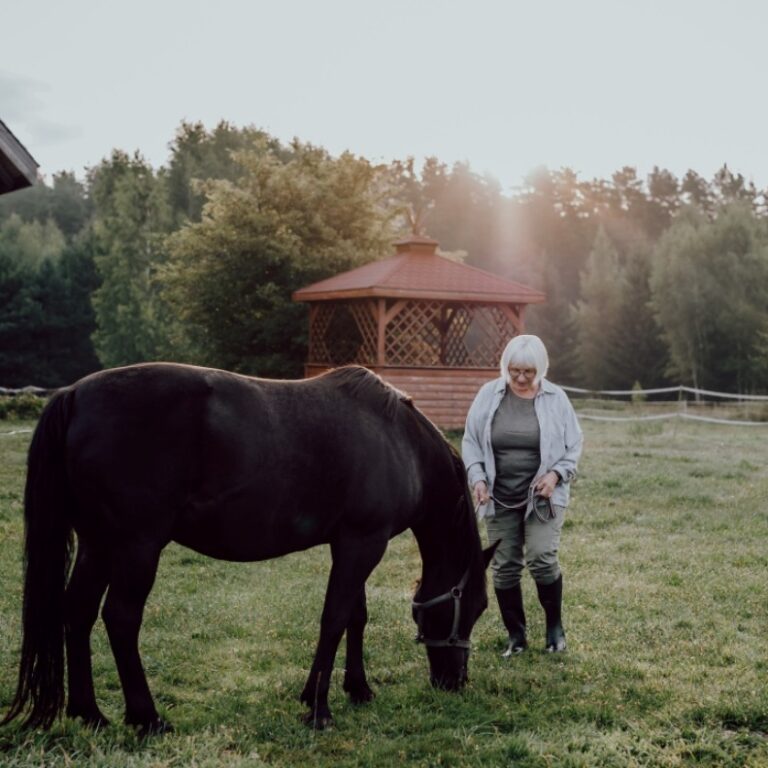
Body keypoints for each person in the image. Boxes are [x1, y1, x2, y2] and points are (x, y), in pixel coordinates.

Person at [462, 334, 582, 655]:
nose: (520, 378)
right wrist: (478, 478)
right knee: (504, 566)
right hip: (498, 497)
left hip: (542, 497)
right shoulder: (489, 395)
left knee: (542, 558)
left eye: (528, 372)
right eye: (514, 370)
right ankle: (516, 637)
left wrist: (556, 475)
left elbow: (574, 446)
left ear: (541, 369)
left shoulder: (557, 399)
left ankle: (554, 628)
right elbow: (471, 442)